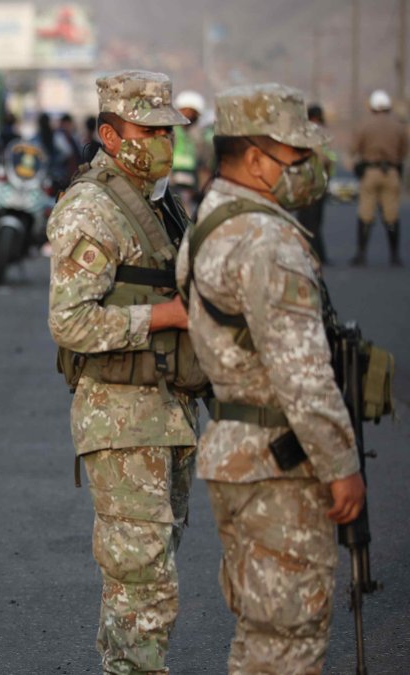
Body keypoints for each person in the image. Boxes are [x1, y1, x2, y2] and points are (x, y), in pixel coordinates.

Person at [176, 82, 366, 674]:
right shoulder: (266, 239)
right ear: (256, 158)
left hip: (238, 452)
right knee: (290, 639)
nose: (308, 170)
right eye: (297, 157)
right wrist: (343, 466)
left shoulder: (210, 220)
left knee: (262, 634)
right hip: (282, 462)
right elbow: (303, 374)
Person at [46, 70, 198, 675]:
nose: (162, 141)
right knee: (143, 581)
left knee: (148, 573)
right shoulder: (93, 208)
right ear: (110, 135)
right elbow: (71, 322)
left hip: (172, 410)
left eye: (168, 130)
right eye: (148, 129)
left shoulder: (162, 202)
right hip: (123, 414)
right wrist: (166, 315)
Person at [351, 89, 407, 266]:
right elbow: (404, 149)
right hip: (391, 172)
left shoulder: (365, 125)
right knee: (391, 214)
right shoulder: (398, 126)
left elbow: (354, 148)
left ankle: (361, 254)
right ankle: (394, 255)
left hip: (371, 172)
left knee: (366, 213)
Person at [296, 104, 334, 263]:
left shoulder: (305, 132)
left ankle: (312, 254)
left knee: (308, 222)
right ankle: (316, 254)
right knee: (314, 222)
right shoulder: (319, 133)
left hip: (307, 182)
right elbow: (327, 158)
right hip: (317, 182)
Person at [172, 90, 213, 213]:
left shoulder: (202, 136)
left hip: (193, 185)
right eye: (184, 110)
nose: (188, 115)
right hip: (171, 182)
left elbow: (206, 165)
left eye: (192, 112)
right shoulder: (170, 132)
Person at [36, 113, 78, 191]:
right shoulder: (56, 135)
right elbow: (67, 152)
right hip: (56, 174)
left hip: (42, 174)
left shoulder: (37, 137)